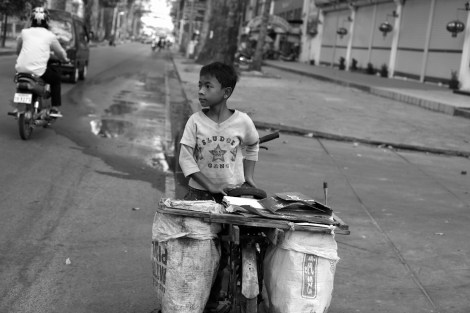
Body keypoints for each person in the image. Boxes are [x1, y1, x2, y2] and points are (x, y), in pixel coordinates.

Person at [178, 62, 260, 311]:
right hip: (199, 194)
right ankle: (191, 298)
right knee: (196, 249)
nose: (200, 91)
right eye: (199, 85)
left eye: (207, 86)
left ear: (225, 92)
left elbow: (253, 145)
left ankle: (215, 297)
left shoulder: (243, 121)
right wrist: (210, 185)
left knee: (227, 249)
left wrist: (250, 178)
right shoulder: (195, 121)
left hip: (231, 198)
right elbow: (185, 158)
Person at [15, 7, 70, 117]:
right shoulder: (50, 35)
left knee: (20, 81)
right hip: (38, 71)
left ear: (32, 20)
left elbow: (18, 49)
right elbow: (60, 52)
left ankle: (19, 107)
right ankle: (54, 108)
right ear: (47, 21)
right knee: (56, 79)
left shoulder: (24, 32)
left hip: (21, 69)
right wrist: (65, 59)